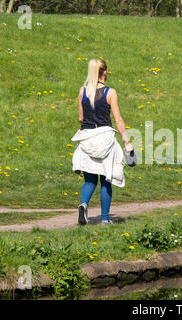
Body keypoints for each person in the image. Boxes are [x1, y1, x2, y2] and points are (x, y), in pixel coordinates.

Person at [71, 59, 133, 226]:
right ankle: (105, 219)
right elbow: (118, 120)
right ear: (104, 72)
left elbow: (81, 118)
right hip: (104, 138)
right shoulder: (110, 92)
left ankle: (84, 204)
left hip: (87, 138)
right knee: (106, 179)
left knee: (89, 180)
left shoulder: (82, 91)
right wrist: (127, 142)